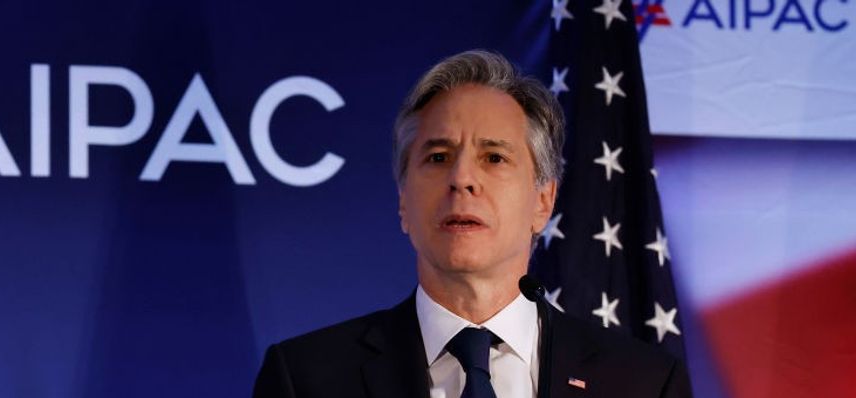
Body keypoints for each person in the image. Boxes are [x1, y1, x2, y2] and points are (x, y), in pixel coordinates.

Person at [252, 50, 691, 398]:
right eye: (438, 158)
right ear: (404, 200)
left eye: (494, 158)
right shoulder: (307, 379)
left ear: (543, 199)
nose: (462, 179)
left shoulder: (642, 383)